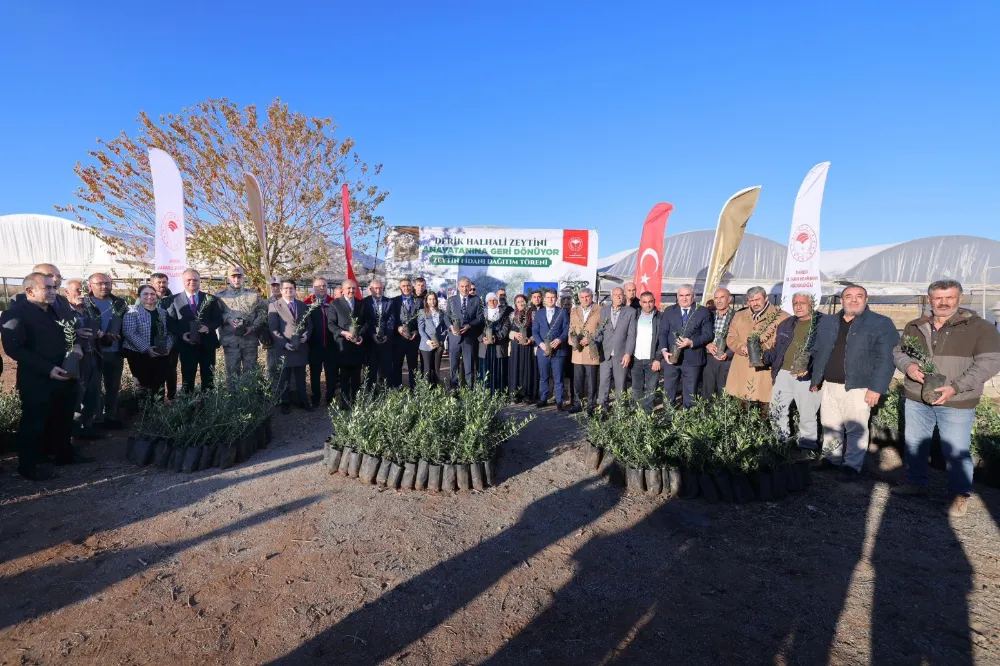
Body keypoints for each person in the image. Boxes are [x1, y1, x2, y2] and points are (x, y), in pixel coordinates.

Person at [892, 279, 1000, 517]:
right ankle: (915, 483)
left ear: (960, 299)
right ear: (930, 299)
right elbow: (899, 351)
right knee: (915, 443)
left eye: (949, 297)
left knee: (956, 449)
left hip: (957, 401)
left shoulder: (979, 328)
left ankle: (959, 495)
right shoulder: (915, 325)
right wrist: (908, 366)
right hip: (917, 397)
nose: (943, 302)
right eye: (938, 298)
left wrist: (956, 387)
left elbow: (990, 362)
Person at [1, 273, 87, 480]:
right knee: (35, 422)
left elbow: (72, 332)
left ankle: (63, 454)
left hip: (66, 375)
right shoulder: (16, 314)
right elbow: (15, 349)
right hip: (37, 380)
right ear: (30, 291)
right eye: (47, 288)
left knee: (63, 418)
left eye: (53, 288)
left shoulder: (57, 310)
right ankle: (29, 465)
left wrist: (76, 346)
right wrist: (47, 369)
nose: (52, 292)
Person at [810, 284, 899, 481]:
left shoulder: (880, 323)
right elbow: (819, 352)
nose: (854, 300)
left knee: (856, 427)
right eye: (848, 296)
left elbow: (886, 359)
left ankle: (852, 465)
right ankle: (831, 458)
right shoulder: (829, 322)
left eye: (859, 296)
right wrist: (816, 379)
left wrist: (876, 388)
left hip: (859, 386)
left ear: (866, 300)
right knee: (829, 423)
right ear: (841, 301)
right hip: (830, 384)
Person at [763, 293, 824, 456]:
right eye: (795, 303)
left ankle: (807, 447)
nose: (798, 306)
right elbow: (778, 349)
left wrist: (812, 370)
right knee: (777, 409)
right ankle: (781, 442)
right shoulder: (787, 323)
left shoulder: (823, 323)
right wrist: (765, 356)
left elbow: (826, 352)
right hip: (783, 373)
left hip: (807, 376)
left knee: (807, 413)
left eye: (802, 303)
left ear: (812, 304)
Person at [725, 286, 789, 404]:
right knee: (741, 408)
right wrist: (741, 347)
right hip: (741, 371)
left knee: (763, 407)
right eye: (751, 300)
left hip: (765, 371)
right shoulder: (739, 316)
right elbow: (731, 338)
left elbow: (783, 343)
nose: (754, 303)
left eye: (757, 299)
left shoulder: (781, 316)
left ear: (766, 298)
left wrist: (763, 350)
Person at [165, 268, 223, 392]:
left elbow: (218, 319)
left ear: (199, 281)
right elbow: (171, 322)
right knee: (187, 378)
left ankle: (207, 405)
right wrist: (182, 334)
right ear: (183, 281)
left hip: (207, 345)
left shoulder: (211, 299)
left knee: (208, 378)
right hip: (186, 346)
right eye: (189, 280)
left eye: (195, 279)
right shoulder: (173, 300)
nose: (192, 282)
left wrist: (209, 327)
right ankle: (188, 407)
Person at [657, 284, 713, 409]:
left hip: (693, 359)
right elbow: (663, 333)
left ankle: (688, 421)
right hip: (671, 359)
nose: (684, 298)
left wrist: (691, 342)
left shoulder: (703, 312)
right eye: (681, 295)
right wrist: (664, 351)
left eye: (687, 295)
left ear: (693, 296)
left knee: (690, 392)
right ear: (677, 297)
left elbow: (708, 334)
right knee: (669, 391)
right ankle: (668, 419)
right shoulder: (669, 311)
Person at [64, 279, 102, 439]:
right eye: (77, 291)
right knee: (77, 395)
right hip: (75, 359)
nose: (82, 294)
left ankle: (87, 428)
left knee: (92, 394)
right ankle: (72, 433)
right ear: (67, 293)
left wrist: (100, 335)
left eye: (84, 291)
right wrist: (76, 335)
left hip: (93, 356)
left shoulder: (88, 309)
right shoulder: (63, 312)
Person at [269, 279, 314, 414]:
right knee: (284, 377)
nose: (289, 291)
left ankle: (303, 401)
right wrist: (284, 343)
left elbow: (309, 324)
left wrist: (307, 334)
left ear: (295, 290)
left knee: (301, 377)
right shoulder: (275, 306)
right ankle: (285, 402)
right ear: (281, 290)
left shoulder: (302, 305)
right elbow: (274, 329)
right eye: (286, 288)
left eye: (291, 288)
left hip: (300, 346)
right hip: (284, 347)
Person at [122, 285, 175, 397]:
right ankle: (143, 412)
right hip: (139, 355)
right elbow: (129, 332)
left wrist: (168, 348)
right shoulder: (132, 311)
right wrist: (146, 348)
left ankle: (157, 412)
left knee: (159, 385)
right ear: (139, 297)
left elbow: (171, 333)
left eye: (152, 294)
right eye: (145, 294)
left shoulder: (163, 313)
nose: (149, 296)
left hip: (160, 354)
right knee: (143, 386)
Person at [216, 266, 264, 377]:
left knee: (251, 374)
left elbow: (262, 313)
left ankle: (250, 395)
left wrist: (253, 327)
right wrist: (228, 319)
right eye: (233, 277)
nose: (236, 280)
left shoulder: (253, 295)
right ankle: (233, 395)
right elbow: (216, 315)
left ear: (243, 278)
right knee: (232, 375)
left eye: (239, 277)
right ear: (228, 278)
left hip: (250, 340)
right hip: (231, 341)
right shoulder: (220, 296)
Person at [327, 280, 368, 408]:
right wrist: (343, 333)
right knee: (344, 377)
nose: (351, 291)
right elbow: (331, 324)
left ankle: (355, 401)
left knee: (356, 376)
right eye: (348, 288)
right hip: (342, 346)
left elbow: (367, 322)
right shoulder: (334, 304)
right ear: (343, 290)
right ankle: (344, 401)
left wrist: (360, 334)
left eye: (353, 288)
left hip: (357, 346)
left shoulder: (362, 304)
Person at [595, 287, 637, 408]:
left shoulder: (630, 312)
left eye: (620, 295)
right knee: (603, 382)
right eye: (615, 294)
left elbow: (631, 334)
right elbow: (601, 330)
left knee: (620, 383)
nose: (618, 296)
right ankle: (603, 407)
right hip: (605, 353)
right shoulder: (604, 311)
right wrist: (594, 342)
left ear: (624, 296)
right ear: (611, 296)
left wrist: (628, 353)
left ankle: (621, 409)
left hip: (621, 354)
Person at [532, 289, 569, 410]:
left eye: (553, 297)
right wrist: (541, 344)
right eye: (548, 297)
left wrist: (559, 339)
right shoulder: (539, 313)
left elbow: (566, 329)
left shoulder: (562, 312)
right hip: (543, 351)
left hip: (558, 350)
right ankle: (543, 399)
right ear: (544, 299)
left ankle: (559, 401)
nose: (550, 300)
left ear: (556, 298)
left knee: (558, 377)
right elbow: (535, 331)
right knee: (544, 377)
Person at [305, 278, 338, 407]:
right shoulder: (307, 303)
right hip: (314, 345)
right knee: (315, 373)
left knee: (331, 373)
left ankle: (330, 397)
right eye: (318, 286)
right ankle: (316, 397)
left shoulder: (333, 303)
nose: (322, 288)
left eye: (324, 285)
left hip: (331, 345)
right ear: (313, 288)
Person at [568, 288, 601, 414]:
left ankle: (591, 406)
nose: (585, 299)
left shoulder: (599, 310)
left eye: (587, 296)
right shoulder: (574, 310)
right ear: (579, 298)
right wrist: (571, 340)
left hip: (591, 351)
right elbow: (571, 328)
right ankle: (578, 404)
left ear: (591, 296)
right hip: (578, 351)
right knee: (577, 380)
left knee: (592, 381)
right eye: (582, 297)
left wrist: (591, 339)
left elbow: (602, 329)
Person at [446, 277, 483, 388]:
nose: (465, 289)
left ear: (470, 286)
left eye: (467, 286)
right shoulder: (452, 300)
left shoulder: (476, 300)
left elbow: (480, 317)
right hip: (454, 338)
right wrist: (451, 326)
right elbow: (446, 317)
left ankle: (468, 394)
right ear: (458, 287)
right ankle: (454, 393)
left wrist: (469, 325)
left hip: (469, 339)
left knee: (469, 368)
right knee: (453, 368)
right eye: (462, 286)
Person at [630, 291, 662, 412]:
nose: (648, 305)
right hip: (636, 358)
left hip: (652, 359)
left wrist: (658, 358)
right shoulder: (635, 315)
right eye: (644, 302)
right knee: (636, 387)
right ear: (640, 303)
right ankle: (637, 413)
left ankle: (647, 414)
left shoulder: (660, 317)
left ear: (654, 301)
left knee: (651, 388)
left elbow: (662, 340)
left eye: (650, 302)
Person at [702, 288, 736, 399]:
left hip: (726, 360)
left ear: (729, 299)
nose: (719, 301)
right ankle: (707, 415)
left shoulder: (737, 317)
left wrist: (729, 353)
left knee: (724, 392)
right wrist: (707, 344)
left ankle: (724, 416)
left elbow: (741, 338)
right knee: (708, 391)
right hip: (709, 359)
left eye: (722, 297)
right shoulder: (708, 315)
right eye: (716, 298)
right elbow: (700, 334)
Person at [362, 279, 396, 388]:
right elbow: (365, 321)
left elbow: (391, 320)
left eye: (380, 288)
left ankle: (385, 391)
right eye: (376, 288)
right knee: (371, 369)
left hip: (385, 341)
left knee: (385, 369)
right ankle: (370, 392)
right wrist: (372, 334)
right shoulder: (364, 302)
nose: (378, 290)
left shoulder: (389, 302)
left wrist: (387, 335)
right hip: (370, 342)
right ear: (370, 289)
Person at [150, 272, 178, 399]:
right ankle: (158, 398)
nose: (162, 285)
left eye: (164, 282)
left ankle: (172, 396)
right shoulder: (146, 298)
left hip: (171, 340)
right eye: (159, 282)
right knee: (155, 370)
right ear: (152, 284)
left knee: (171, 369)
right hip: (152, 341)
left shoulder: (175, 300)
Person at [508, 294, 539, 404]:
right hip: (516, 347)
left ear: (526, 302)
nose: (520, 303)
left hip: (528, 346)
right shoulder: (512, 315)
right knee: (516, 369)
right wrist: (514, 334)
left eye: (522, 301)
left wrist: (531, 339)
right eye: (518, 301)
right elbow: (508, 330)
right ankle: (515, 395)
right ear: (515, 304)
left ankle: (528, 395)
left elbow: (537, 330)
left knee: (528, 369)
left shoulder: (533, 314)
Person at [392, 277, 421, 389]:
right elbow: (391, 319)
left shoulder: (418, 301)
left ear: (412, 287)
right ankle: (397, 388)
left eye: (408, 285)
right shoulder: (394, 301)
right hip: (398, 339)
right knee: (397, 365)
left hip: (413, 339)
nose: (406, 288)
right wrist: (397, 328)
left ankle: (414, 389)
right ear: (400, 287)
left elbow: (422, 319)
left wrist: (417, 331)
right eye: (403, 286)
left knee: (413, 366)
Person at [478, 292, 510, 391]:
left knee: (498, 370)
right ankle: (485, 392)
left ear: (497, 301)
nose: (492, 302)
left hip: (498, 346)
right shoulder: (482, 314)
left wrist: (496, 337)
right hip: (485, 347)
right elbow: (477, 329)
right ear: (487, 302)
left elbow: (505, 328)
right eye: (490, 300)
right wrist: (483, 338)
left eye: (494, 300)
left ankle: (498, 392)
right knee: (485, 370)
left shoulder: (503, 314)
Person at [417, 291, 449, 386]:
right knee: (427, 368)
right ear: (426, 301)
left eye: (434, 299)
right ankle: (426, 390)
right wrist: (428, 341)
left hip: (438, 344)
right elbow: (421, 329)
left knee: (436, 368)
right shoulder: (422, 312)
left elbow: (445, 328)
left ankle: (435, 389)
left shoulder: (442, 313)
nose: (432, 301)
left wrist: (441, 340)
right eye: (430, 299)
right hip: (426, 345)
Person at [261, 276, 282, 379]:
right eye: (273, 286)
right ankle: (273, 392)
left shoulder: (289, 301)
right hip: (272, 340)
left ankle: (290, 392)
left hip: (287, 339)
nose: (275, 288)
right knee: (272, 367)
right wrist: (264, 338)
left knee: (287, 367)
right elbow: (262, 322)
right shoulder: (266, 303)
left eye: (277, 285)